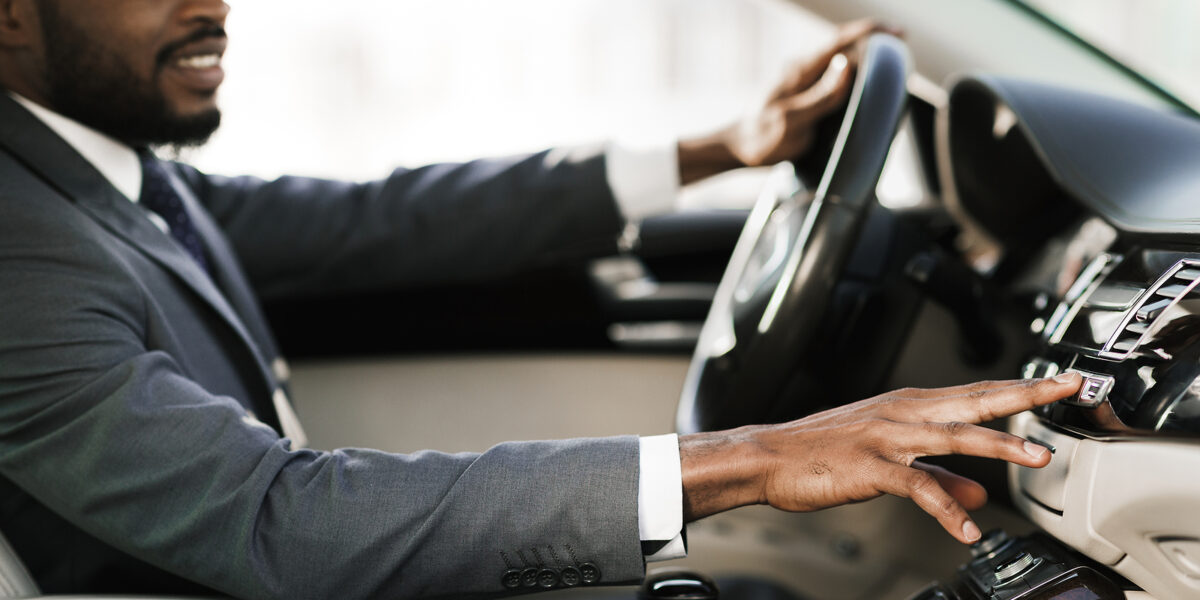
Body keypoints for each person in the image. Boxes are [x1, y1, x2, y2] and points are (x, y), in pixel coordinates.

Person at [0, 1, 1082, 598]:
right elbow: (274, 522)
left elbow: (389, 220)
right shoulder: (17, 245)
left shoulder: (109, 176)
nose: (213, 4)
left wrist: (723, 150)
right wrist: (762, 456)